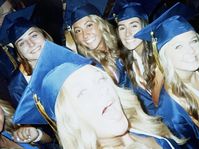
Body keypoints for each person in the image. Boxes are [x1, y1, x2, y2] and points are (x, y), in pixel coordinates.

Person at [13, 40, 184, 148]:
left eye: (100, 80)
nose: (102, 90)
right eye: (82, 92)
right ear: (71, 119)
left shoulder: (143, 128)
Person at [135, 2, 199, 149]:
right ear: (163, 56)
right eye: (178, 46)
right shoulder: (171, 110)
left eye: (193, 41)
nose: (190, 51)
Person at [108, 0, 166, 113]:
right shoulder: (124, 65)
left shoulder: (162, 56)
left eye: (134, 25)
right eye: (122, 28)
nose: (127, 33)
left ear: (145, 26)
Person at [64, 0, 131, 88]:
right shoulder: (91, 68)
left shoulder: (124, 44)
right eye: (78, 31)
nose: (85, 34)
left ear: (101, 24)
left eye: (89, 25)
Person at [0, 5, 53, 108]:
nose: (31, 44)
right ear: (19, 52)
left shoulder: (67, 56)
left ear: (45, 35)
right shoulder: (19, 87)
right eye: (22, 43)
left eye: (34, 35)